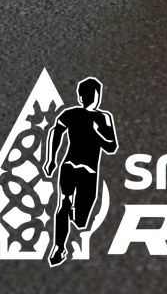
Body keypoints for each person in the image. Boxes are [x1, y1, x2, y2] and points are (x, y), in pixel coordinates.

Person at [43, 79, 117, 267]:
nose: (90, 98)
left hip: (88, 171)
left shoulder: (104, 117)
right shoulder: (70, 114)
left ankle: (73, 218)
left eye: (92, 95)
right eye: (86, 95)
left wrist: (95, 133)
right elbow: (55, 133)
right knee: (64, 202)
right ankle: (59, 247)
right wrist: (51, 159)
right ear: (80, 96)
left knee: (81, 219)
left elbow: (111, 146)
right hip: (71, 166)